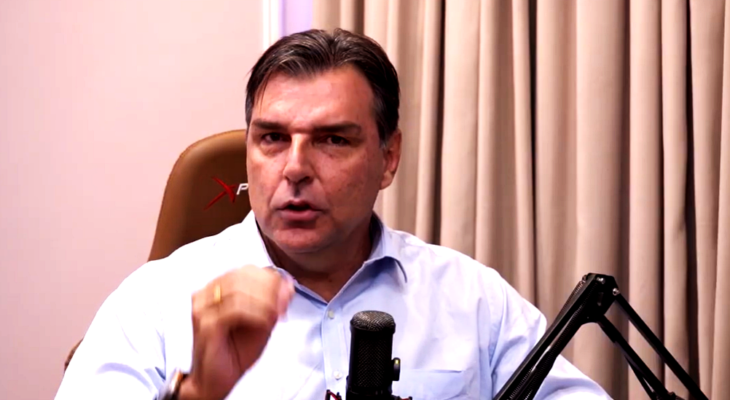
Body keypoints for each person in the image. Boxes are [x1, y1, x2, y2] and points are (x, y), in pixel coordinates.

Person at [56, 28, 610, 400]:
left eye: (333, 140)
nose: (295, 168)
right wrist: (200, 392)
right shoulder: (154, 304)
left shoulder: (472, 299)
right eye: (272, 138)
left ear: (388, 157)